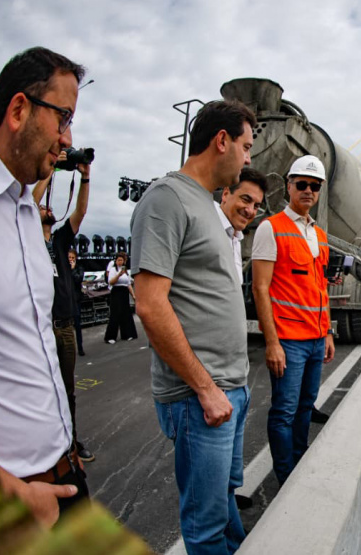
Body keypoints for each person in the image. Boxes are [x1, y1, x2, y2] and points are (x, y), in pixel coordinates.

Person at [0, 46, 87, 526]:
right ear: (19, 109)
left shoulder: (28, 211)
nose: (68, 138)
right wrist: (3, 491)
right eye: (63, 118)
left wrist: (62, 440)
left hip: (64, 475)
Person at [131, 99, 255, 555]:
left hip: (229, 390)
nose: (247, 159)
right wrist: (205, 388)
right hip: (200, 397)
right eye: (245, 147)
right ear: (220, 141)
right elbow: (149, 304)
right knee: (204, 528)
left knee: (223, 511)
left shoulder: (208, 207)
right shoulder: (167, 199)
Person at [252, 154, 336, 485]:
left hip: (316, 340)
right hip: (288, 341)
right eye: (301, 184)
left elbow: (321, 288)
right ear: (289, 186)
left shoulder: (321, 236)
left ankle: (299, 465)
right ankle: (285, 478)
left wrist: (328, 332)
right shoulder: (270, 228)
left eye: (314, 186)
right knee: (284, 412)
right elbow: (260, 289)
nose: (308, 191)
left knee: (305, 408)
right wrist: (272, 343)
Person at [33, 149, 95, 462]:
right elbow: (29, 203)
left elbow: (80, 213)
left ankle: (70, 441)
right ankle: (43, 445)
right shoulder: (27, 235)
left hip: (65, 327)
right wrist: (52, 169)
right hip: (38, 329)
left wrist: (84, 175)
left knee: (67, 390)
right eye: (43, 206)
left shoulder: (58, 241)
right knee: (39, 389)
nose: (47, 208)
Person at [216, 166, 266, 281]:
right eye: (245, 199)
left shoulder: (235, 238)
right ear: (225, 194)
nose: (250, 210)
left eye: (256, 206)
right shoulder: (202, 225)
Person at [104, 253, 138, 344]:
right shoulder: (113, 270)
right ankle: (110, 336)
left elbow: (128, 284)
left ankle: (127, 334)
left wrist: (133, 295)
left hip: (124, 292)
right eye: (118, 260)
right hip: (116, 292)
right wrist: (118, 275)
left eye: (121, 260)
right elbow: (110, 282)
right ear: (116, 261)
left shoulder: (125, 271)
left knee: (126, 312)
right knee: (115, 313)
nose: (120, 262)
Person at [69, 250, 86, 356]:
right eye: (69, 258)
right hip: (66, 299)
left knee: (77, 324)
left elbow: (78, 279)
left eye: (72, 258)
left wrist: (73, 269)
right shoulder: (63, 268)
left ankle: (80, 347)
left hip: (76, 299)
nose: (70, 260)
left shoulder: (79, 268)